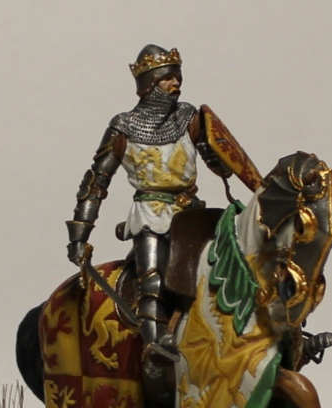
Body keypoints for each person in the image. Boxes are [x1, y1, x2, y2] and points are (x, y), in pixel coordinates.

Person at [66, 44, 236, 363]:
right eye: (168, 79)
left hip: (191, 214)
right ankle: (156, 350)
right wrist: (79, 237)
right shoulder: (124, 126)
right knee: (153, 281)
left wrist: (221, 160)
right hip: (150, 215)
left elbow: (220, 159)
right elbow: (96, 183)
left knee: (230, 267)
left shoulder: (189, 118)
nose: (176, 84)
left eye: (178, 77)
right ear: (149, 85)